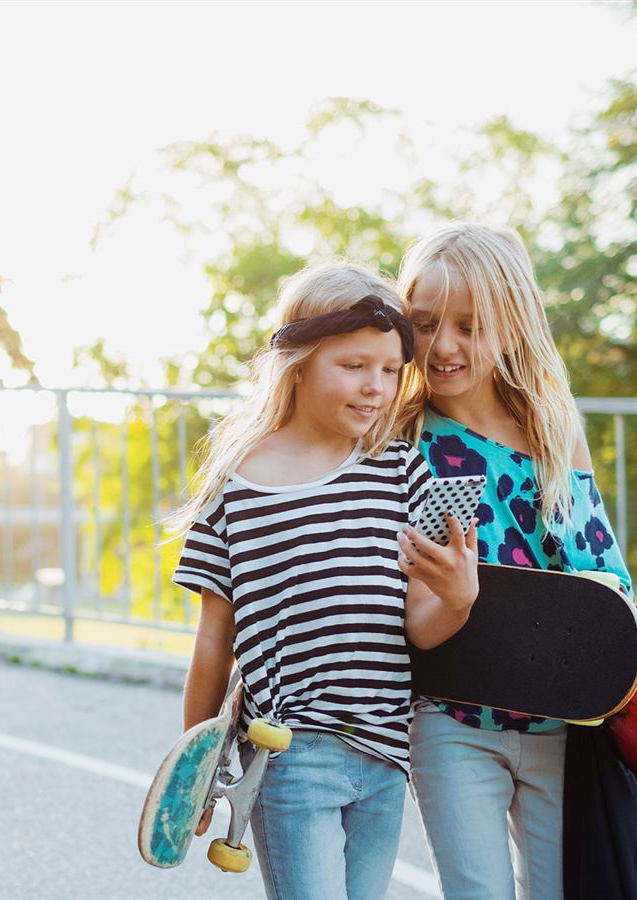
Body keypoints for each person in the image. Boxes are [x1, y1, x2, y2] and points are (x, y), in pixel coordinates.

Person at [168, 261, 479, 900]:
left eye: (392, 370)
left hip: (388, 753)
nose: (376, 388)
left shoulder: (398, 469)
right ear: (300, 362)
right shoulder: (238, 483)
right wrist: (192, 770)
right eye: (355, 366)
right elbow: (211, 644)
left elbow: (420, 627)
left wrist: (459, 597)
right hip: (291, 755)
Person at [395, 223, 637, 900]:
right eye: (426, 324)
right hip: (451, 718)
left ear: (513, 327)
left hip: (560, 721)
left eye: (470, 325)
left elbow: (606, 574)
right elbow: (401, 604)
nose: (444, 346)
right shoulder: (396, 439)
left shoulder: (554, 430)